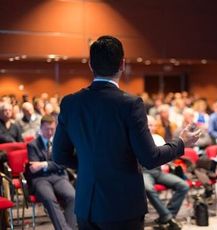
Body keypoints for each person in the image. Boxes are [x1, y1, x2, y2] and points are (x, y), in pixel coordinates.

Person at [52, 35, 200, 230]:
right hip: (122, 206)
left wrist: (91, 164)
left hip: (86, 205)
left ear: (90, 65)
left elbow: (59, 155)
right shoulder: (130, 104)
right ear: (122, 64)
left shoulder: (70, 103)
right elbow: (150, 157)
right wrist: (181, 143)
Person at [27, 115, 77, 230]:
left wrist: (44, 164)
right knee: (49, 199)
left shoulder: (60, 143)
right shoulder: (32, 145)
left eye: (52, 129)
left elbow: (63, 163)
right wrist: (54, 165)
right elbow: (34, 167)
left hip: (59, 177)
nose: (50, 132)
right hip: (40, 179)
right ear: (41, 128)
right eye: (46, 129)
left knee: (72, 197)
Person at [144, 116, 189, 230]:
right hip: (145, 172)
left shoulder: (158, 138)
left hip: (158, 171)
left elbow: (166, 156)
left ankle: (168, 216)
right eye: (148, 124)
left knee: (183, 185)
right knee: (148, 188)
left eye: (152, 125)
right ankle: (168, 218)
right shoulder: (140, 139)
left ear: (155, 126)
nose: (150, 127)